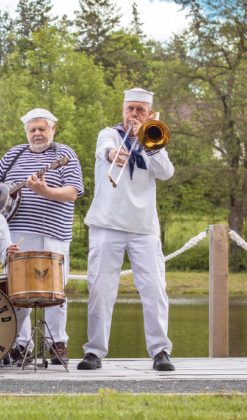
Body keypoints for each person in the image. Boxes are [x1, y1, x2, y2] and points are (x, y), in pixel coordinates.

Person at [80, 88, 175, 371]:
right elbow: (104, 150)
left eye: (140, 110)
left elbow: (166, 173)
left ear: (149, 114)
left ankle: (160, 351)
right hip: (107, 224)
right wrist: (113, 153)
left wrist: (150, 145)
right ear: (123, 110)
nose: (133, 114)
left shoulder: (153, 138)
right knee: (100, 288)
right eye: (129, 109)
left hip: (144, 227)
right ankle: (94, 352)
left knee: (155, 289)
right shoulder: (107, 134)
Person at [0, 108, 84, 365]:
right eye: (33, 130)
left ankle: (57, 344)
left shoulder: (64, 154)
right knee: (18, 292)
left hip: (53, 233)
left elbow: (72, 192)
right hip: (16, 232)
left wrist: (45, 191)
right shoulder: (15, 152)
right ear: (26, 132)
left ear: (53, 129)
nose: (37, 133)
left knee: (55, 292)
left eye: (42, 128)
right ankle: (18, 346)